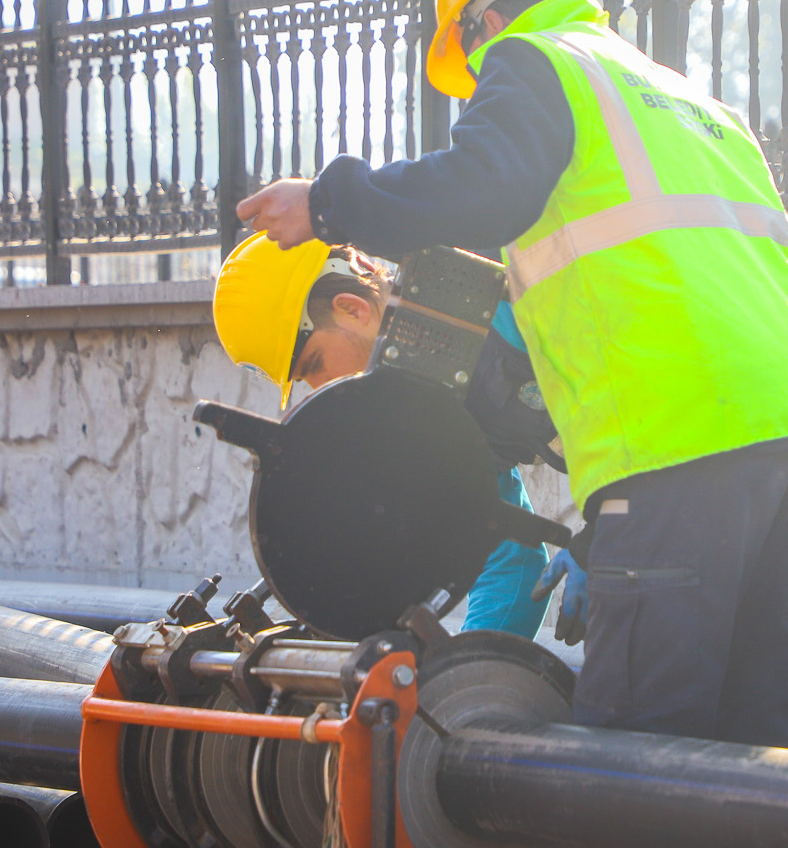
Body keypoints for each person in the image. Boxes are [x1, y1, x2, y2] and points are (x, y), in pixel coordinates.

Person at [236, 0, 788, 848]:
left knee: (634, 764)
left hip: (675, 442)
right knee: (758, 748)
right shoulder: (685, 100)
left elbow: (485, 187)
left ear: (484, 20)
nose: (475, 77)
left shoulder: (536, 60)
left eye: (469, 58)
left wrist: (332, 202)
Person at [211, 232, 561, 639]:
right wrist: (464, 678)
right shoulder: (426, 414)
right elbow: (511, 562)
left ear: (352, 310)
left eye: (314, 364)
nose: (318, 388)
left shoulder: (496, 296)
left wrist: (620, 519)